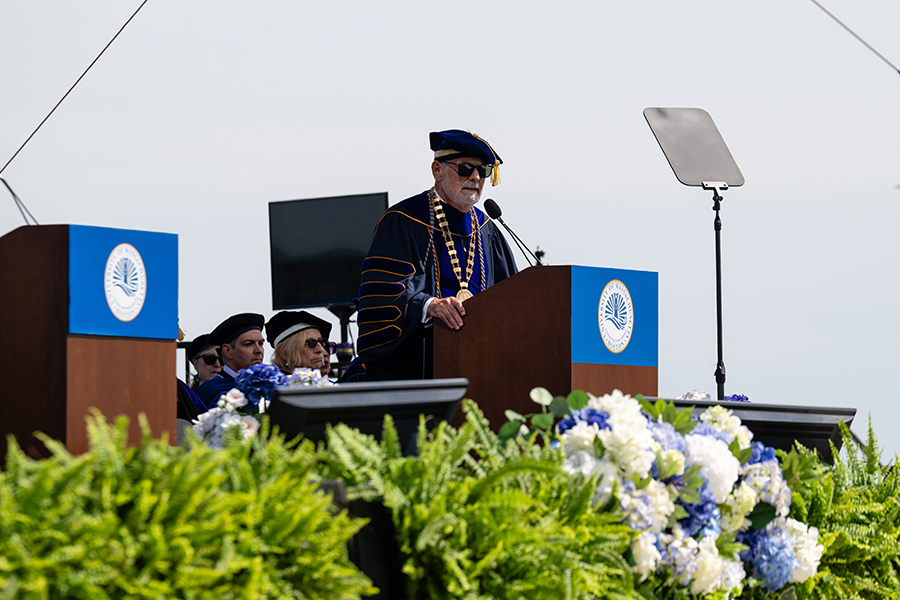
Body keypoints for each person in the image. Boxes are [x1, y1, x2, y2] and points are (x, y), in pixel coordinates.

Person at [343, 129, 518, 382]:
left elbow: (511, 298)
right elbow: (381, 297)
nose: (476, 177)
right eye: (465, 168)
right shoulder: (404, 221)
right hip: (416, 370)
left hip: (481, 368)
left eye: (483, 170)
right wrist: (428, 306)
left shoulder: (486, 229)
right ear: (437, 170)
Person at [195, 313, 265, 409]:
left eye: (261, 343)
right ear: (228, 351)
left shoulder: (267, 384)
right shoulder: (213, 392)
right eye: (248, 344)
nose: (258, 350)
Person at [265, 310, 336, 374]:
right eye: (311, 343)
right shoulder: (274, 384)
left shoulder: (328, 384)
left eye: (321, 342)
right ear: (284, 353)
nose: (321, 350)